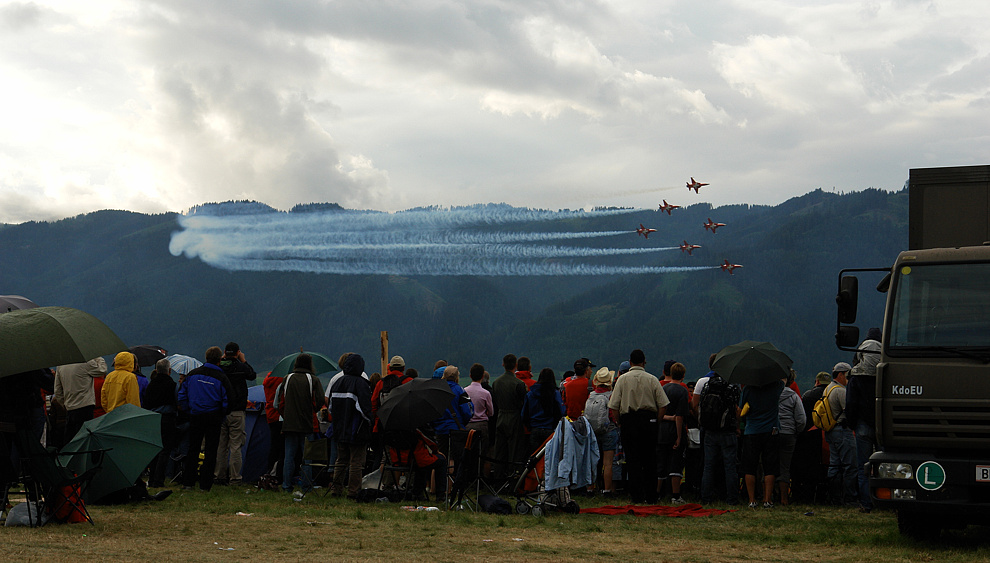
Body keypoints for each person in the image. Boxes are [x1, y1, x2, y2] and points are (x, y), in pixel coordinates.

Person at [608, 349, 669, 504]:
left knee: (633, 460)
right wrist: (658, 420)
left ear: (630, 362)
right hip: (649, 420)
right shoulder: (652, 379)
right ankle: (651, 496)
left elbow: (614, 406)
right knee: (650, 460)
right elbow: (663, 404)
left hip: (629, 420)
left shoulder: (622, 380)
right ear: (644, 362)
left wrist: (620, 421)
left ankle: (637, 496)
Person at [177, 346, 232, 492]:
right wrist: (222, 414)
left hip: (195, 415)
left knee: (193, 449)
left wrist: (188, 410)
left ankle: (188, 482)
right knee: (211, 451)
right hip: (214, 417)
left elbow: (182, 395)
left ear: (206, 358)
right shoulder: (222, 378)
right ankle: (205, 484)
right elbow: (228, 400)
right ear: (219, 360)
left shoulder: (192, 374)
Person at [276, 353, 325, 494]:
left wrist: (286, 416)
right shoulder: (313, 380)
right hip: (307, 424)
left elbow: (280, 402)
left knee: (289, 457)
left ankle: (286, 486)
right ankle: (306, 486)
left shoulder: (287, 378)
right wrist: (313, 411)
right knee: (307, 459)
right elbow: (320, 400)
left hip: (289, 424)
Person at [330, 353, 372, 499]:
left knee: (340, 460)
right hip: (356, 429)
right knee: (356, 461)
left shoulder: (337, 382)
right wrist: (369, 422)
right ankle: (353, 492)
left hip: (339, 428)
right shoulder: (361, 384)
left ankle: (336, 489)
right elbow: (365, 409)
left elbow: (330, 407)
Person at [847, 329, 880, 513]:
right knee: (885, 465)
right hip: (883, 426)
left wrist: (852, 423)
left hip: (862, 426)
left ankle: (867, 504)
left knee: (863, 468)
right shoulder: (887, 373)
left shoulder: (856, 375)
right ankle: (887, 501)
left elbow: (851, 402)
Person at [739, 375, 785, 509]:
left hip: (751, 431)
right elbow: (784, 380)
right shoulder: (776, 386)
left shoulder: (747, 389)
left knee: (749, 466)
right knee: (770, 467)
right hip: (771, 430)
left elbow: (740, 410)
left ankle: (752, 500)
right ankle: (767, 500)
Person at [697, 369, 741, 505]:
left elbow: (699, 404)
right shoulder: (732, 387)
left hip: (710, 430)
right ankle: (731, 498)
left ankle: (706, 498)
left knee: (708, 466)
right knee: (730, 466)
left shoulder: (707, 385)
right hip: (727, 430)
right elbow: (737, 409)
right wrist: (737, 427)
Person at [215, 342, 256, 486]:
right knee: (236, 446)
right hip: (237, 411)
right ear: (238, 352)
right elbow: (252, 375)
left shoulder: (219, 367)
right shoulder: (240, 366)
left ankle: (219, 476)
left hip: (221, 411)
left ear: (225, 352)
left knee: (221, 446)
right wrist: (243, 360)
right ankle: (235, 478)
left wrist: (220, 358)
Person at [824, 361, 858, 506]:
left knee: (834, 465)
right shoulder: (841, 391)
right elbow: (850, 411)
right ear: (840, 374)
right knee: (850, 465)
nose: (849, 379)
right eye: (847, 375)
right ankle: (850, 498)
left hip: (831, 431)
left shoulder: (828, 389)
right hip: (843, 431)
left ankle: (834, 498)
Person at [53, 357, 107, 445]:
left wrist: (65, 404)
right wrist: (98, 357)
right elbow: (102, 370)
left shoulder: (61, 366)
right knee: (85, 441)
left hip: (70, 409)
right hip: (86, 407)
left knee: (71, 441)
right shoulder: (86, 362)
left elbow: (58, 391)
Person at [657, 362, 689, 505]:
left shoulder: (663, 388)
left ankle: (657, 494)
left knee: (661, 463)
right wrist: (679, 436)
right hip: (674, 430)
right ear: (683, 375)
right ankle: (675, 495)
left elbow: (659, 411)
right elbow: (680, 417)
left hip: (662, 431)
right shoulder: (682, 391)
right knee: (676, 464)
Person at [491, 354, 527, 479]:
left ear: (503, 364)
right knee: (515, 450)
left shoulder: (496, 383)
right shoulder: (519, 384)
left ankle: (498, 477)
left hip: (501, 416)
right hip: (514, 417)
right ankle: (513, 478)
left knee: (500, 449)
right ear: (515, 365)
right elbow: (523, 403)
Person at [144, 358, 178, 488]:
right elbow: (177, 402)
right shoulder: (173, 385)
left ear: (157, 370)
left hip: (153, 418)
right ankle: (159, 480)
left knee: (154, 449)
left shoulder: (151, 385)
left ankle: (152, 479)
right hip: (167, 419)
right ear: (169, 371)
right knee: (165, 450)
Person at [585, 367, 618, 496]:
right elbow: (612, 415)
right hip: (609, 431)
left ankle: (590, 489)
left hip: (593, 432)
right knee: (608, 463)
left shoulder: (591, 395)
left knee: (592, 461)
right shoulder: (611, 395)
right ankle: (607, 490)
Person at [776, 370, 806, 505]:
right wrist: (796, 431)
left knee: (769, 465)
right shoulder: (794, 396)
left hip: (772, 433)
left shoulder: (770, 395)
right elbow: (801, 419)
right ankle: (784, 499)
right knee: (785, 467)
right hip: (789, 434)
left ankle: (767, 497)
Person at [521, 368, 565, 453]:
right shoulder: (555, 393)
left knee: (534, 456)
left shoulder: (530, 394)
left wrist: (529, 426)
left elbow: (524, 414)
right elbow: (561, 411)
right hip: (550, 429)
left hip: (534, 429)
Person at [464, 363, 494, 457]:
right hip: (482, 425)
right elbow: (491, 412)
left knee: (468, 452)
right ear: (482, 376)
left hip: (468, 424)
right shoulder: (486, 393)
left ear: (470, 376)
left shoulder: (464, 391)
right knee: (483, 452)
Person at [263, 369, 286, 482]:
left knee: (274, 446)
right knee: (283, 448)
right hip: (281, 416)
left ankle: (270, 471)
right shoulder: (283, 380)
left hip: (271, 416)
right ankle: (279, 474)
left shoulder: (268, 380)